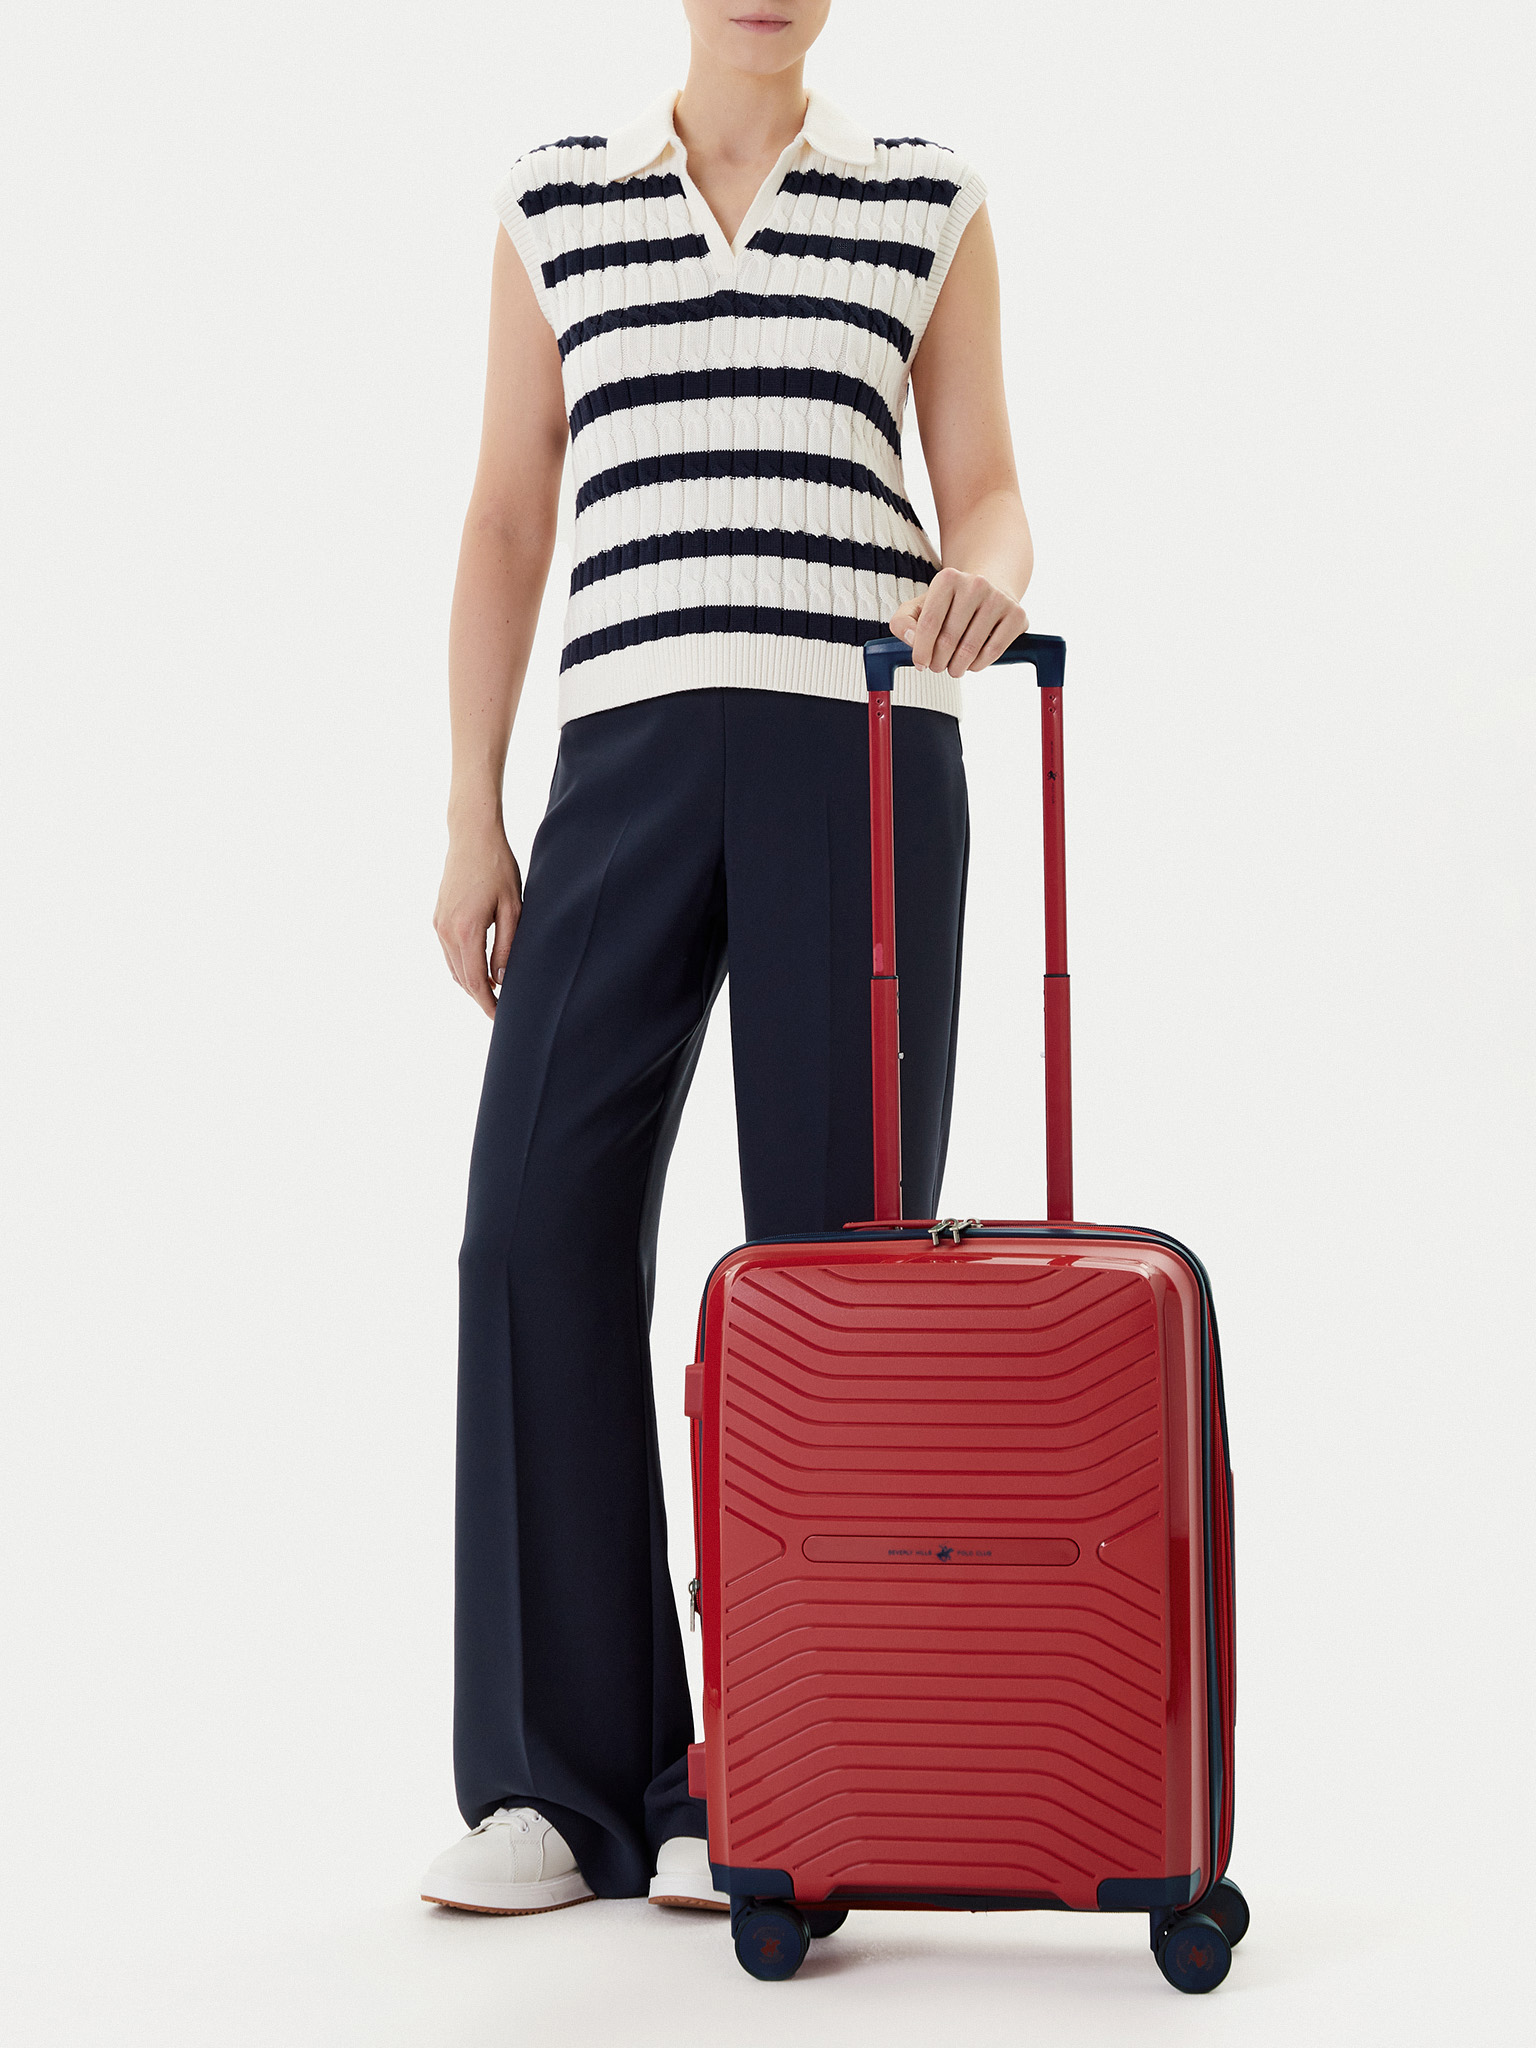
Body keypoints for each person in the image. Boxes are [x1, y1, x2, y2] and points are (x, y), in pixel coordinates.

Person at [423, 0, 1033, 1917]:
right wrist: (473, 811)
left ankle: (783, 1777)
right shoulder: (557, 201)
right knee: (529, 1231)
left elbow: (986, 483)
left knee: (834, 1271)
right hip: (618, 757)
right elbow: (508, 512)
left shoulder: (925, 196)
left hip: (858, 752)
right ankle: (562, 1787)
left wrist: (991, 572)